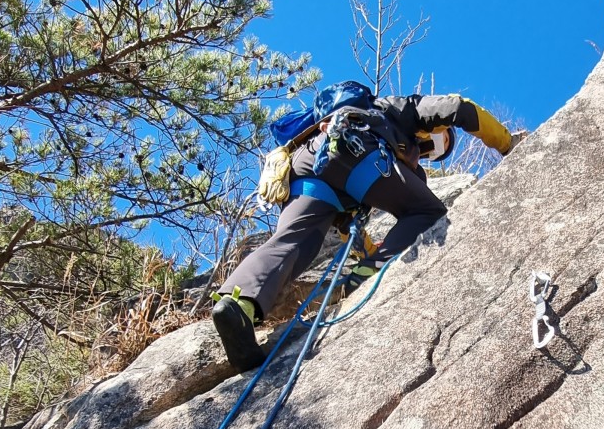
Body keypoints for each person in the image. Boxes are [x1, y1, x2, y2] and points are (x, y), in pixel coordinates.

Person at [211, 81, 520, 370]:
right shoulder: (404, 109)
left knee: (293, 242)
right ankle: (360, 274)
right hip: (353, 148)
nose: (429, 153)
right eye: (438, 145)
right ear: (436, 133)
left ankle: (238, 305)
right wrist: (508, 145)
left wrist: (368, 258)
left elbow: (351, 232)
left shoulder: (376, 127)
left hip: (307, 162)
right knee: (428, 211)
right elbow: (461, 107)